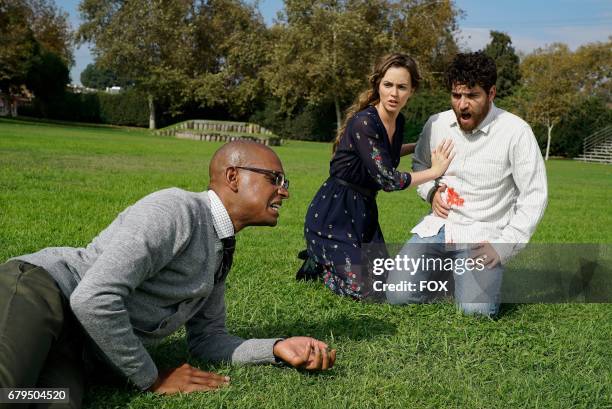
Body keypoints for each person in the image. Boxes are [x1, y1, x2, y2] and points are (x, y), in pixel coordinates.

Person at [0, 141, 336, 408]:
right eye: (274, 179)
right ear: (233, 177)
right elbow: (93, 298)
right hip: (41, 291)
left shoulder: (221, 249)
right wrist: (152, 378)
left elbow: (207, 340)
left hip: (77, 345)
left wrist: (276, 348)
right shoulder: (176, 210)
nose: (285, 191)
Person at [386, 52, 548, 316]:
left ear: (491, 93)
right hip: (438, 228)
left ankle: (472, 278)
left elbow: (534, 196)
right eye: (456, 95)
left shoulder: (516, 132)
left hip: (484, 233)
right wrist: (430, 193)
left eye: (472, 96)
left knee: (476, 311)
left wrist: (503, 246)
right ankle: (451, 275)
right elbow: (420, 164)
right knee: (397, 295)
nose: (462, 105)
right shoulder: (437, 124)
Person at [297, 53, 454, 300]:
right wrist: (434, 171)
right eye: (388, 85)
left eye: (402, 87)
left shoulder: (398, 121)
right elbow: (389, 180)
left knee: (385, 285)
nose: (394, 94)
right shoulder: (364, 123)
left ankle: (333, 260)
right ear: (377, 85)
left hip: (364, 213)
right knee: (364, 291)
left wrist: (416, 146)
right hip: (333, 213)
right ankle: (319, 262)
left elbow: (383, 153)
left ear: (412, 90)